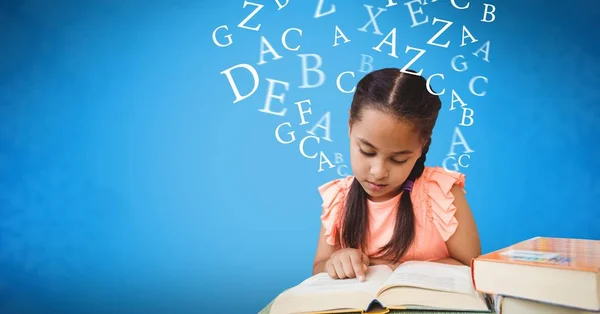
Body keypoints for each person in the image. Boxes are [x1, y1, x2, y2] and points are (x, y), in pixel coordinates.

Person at [312, 68, 481, 282]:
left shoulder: (441, 194)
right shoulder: (340, 199)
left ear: (422, 146)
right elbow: (319, 267)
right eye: (367, 151)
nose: (378, 171)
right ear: (350, 126)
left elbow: (472, 266)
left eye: (398, 159)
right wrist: (336, 261)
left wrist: (388, 267)